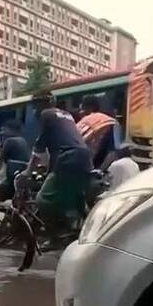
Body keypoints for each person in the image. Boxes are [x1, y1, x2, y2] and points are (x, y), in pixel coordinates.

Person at [26, 94, 93, 233]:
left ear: (40, 105)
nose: (34, 112)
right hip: (85, 157)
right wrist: (49, 172)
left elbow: (38, 149)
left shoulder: (46, 114)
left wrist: (27, 172)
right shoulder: (66, 115)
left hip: (69, 158)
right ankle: (90, 231)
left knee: (42, 199)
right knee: (77, 199)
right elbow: (56, 150)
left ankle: (53, 237)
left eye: (34, 107)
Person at [0, 119, 31, 203]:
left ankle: (4, 210)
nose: (2, 133)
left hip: (12, 180)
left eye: (4, 130)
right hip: (22, 179)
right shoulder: (23, 141)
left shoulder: (9, 141)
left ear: (11, 130)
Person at [76, 95, 122, 169]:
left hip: (86, 167)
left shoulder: (81, 123)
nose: (80, 111)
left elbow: (113, 151)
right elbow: (115, 151)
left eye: (83, 108)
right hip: (101, 168)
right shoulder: (110, 121)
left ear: (90, 107)